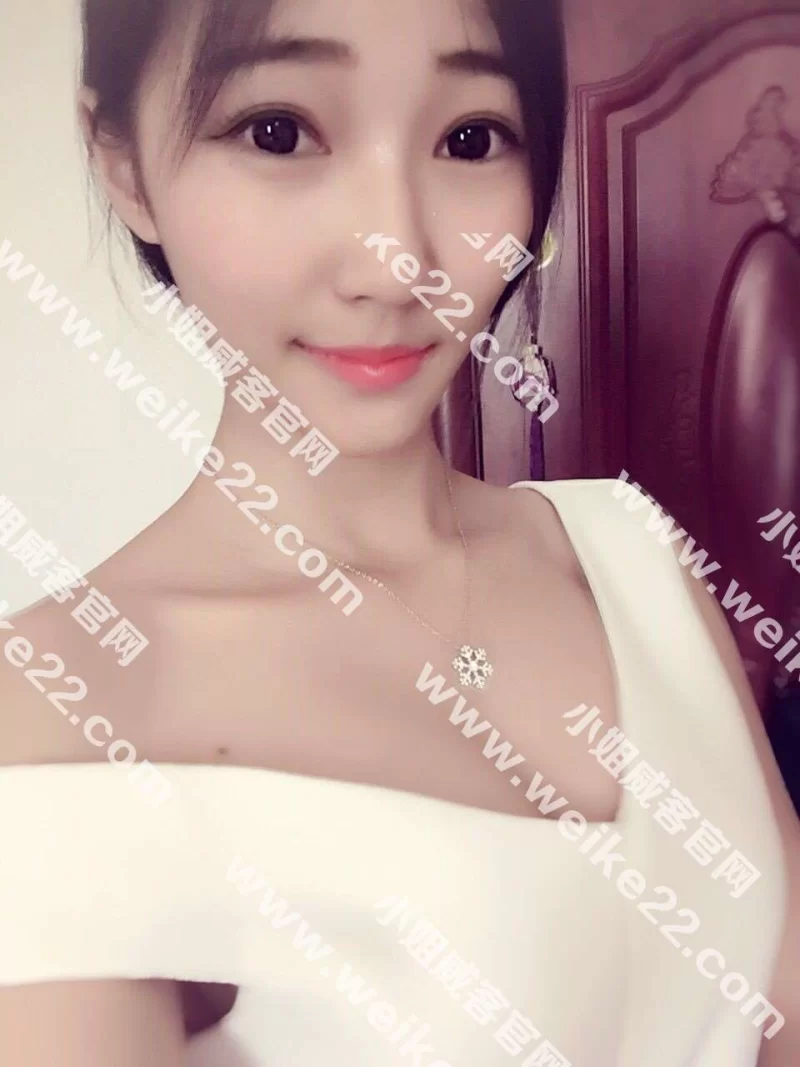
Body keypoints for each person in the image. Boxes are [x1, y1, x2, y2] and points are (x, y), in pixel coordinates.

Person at [0, 0, 797, 1064]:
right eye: (279, 131)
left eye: (470, 138)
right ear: (123, 164)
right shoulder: (55, 711)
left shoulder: (629, 552)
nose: (396, 261)